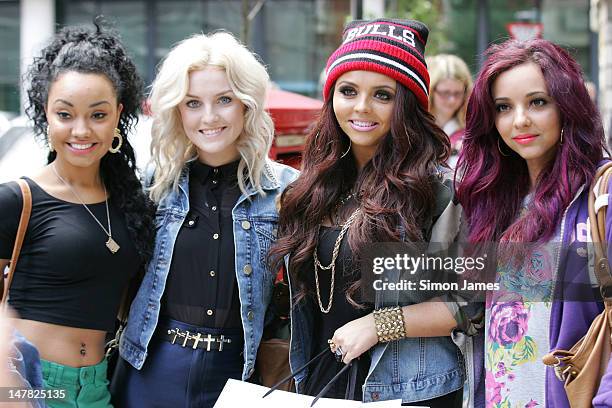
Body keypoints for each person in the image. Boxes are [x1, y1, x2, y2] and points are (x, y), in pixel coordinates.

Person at [269, 18, 482, 407]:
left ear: (407, 105)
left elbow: (469, 301)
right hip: (319, 382)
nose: (361, 107)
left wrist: (377, 325)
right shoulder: (313, 188)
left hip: (408, 391)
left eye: (382, 95)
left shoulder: (435, 191)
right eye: (348, 90)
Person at [112, 32, 299, 407]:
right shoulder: (152, 185)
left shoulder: (287, 190)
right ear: (177, 110)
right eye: (193, 103)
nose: (209, 117)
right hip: (152, 366)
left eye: (224, 100)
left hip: (241, 372)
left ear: (246, 105)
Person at [0, 20, 155, 407]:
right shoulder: (17, 199)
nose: (81, 130)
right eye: (65, 114)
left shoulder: (131, 203)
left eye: (97, 115)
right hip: (31, 384)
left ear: (118, 114)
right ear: (46, 115)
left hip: (98, 387)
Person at [456, 39, 611, 407]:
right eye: (503, 108)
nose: (520, 120)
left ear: (567, 106)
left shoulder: (599, 195)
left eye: (537, 102)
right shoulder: (493, 204)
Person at [427, 54, 472, 166]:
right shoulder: (415, 127)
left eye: (457, 93)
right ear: (431, 91)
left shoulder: (471, 131)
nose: (452, 100)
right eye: (445, 93)